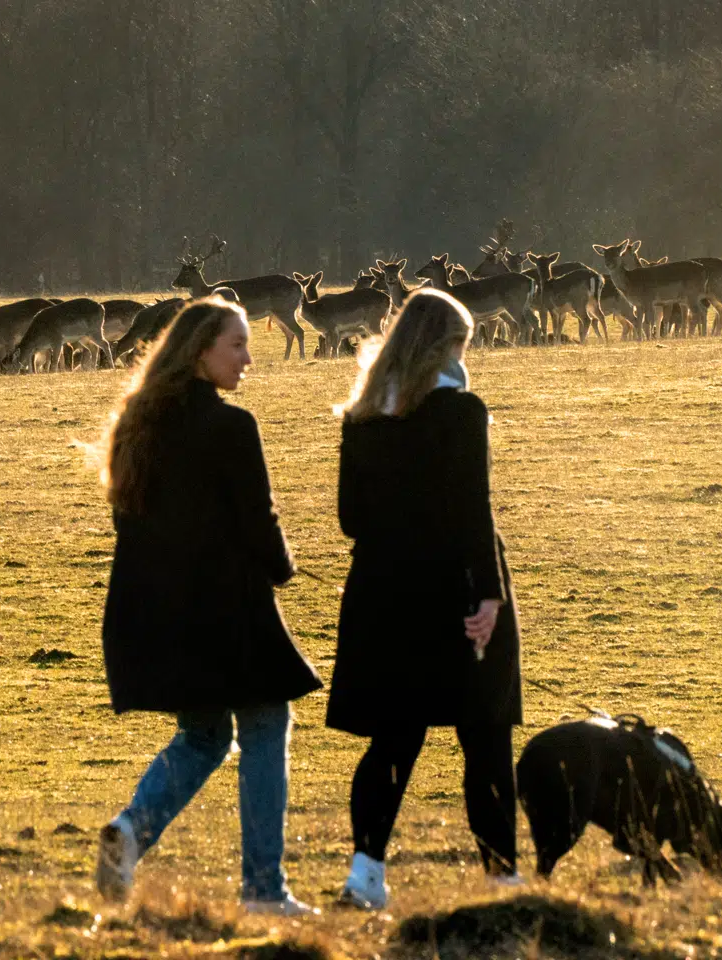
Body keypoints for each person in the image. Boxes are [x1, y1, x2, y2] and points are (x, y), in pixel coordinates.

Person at [94, 296, 323, 915]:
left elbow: (128, 522)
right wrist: (282, 569)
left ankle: (131, 830)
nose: (249, 359)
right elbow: (258, 518)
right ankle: (263, 889)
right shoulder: (230, 425)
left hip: (156, 609)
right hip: (226, 608)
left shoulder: (136, 423)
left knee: (202, 734)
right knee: (266, 721)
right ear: (200, 353)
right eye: (237, 346)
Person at [326, 288, 524, 910]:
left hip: (383, 594)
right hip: (457, 590)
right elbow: (474, 510)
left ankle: (366, 872)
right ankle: (499, 874)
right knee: (485, 735)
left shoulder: (362, 419)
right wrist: (489, 596)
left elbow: (350, 519)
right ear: (444, 349)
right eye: (462, 345)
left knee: (392, 738)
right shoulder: (461, 413)